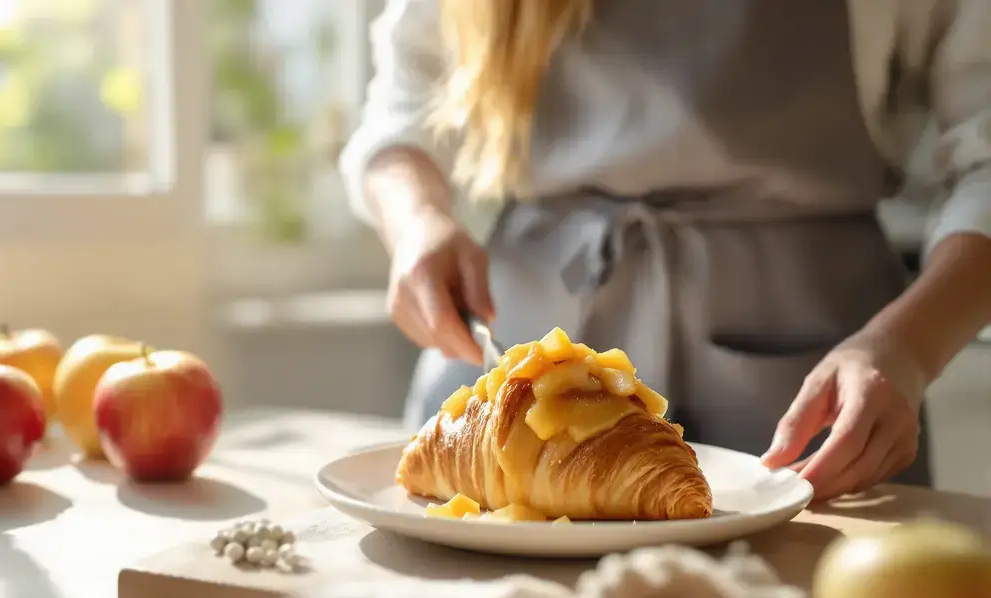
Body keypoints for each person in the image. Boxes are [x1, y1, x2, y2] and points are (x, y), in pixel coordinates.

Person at [339, 0, 991, 502]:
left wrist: (905, 349)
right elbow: (402, 112)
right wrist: (418, 221)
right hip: (511, 355)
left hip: (815, 402)